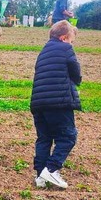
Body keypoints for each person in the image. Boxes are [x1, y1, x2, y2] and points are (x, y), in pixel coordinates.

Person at [30, 20, 82, 189]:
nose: (71, 44)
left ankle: (40, 176)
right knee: (68, 136)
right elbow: (75, 71)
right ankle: (52, 169)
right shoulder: (66, 48)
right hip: (58, 102)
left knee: (44, 138)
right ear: (64, 37)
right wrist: (77, 81)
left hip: (38, 102)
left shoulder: (43, 51)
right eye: (71, 40)